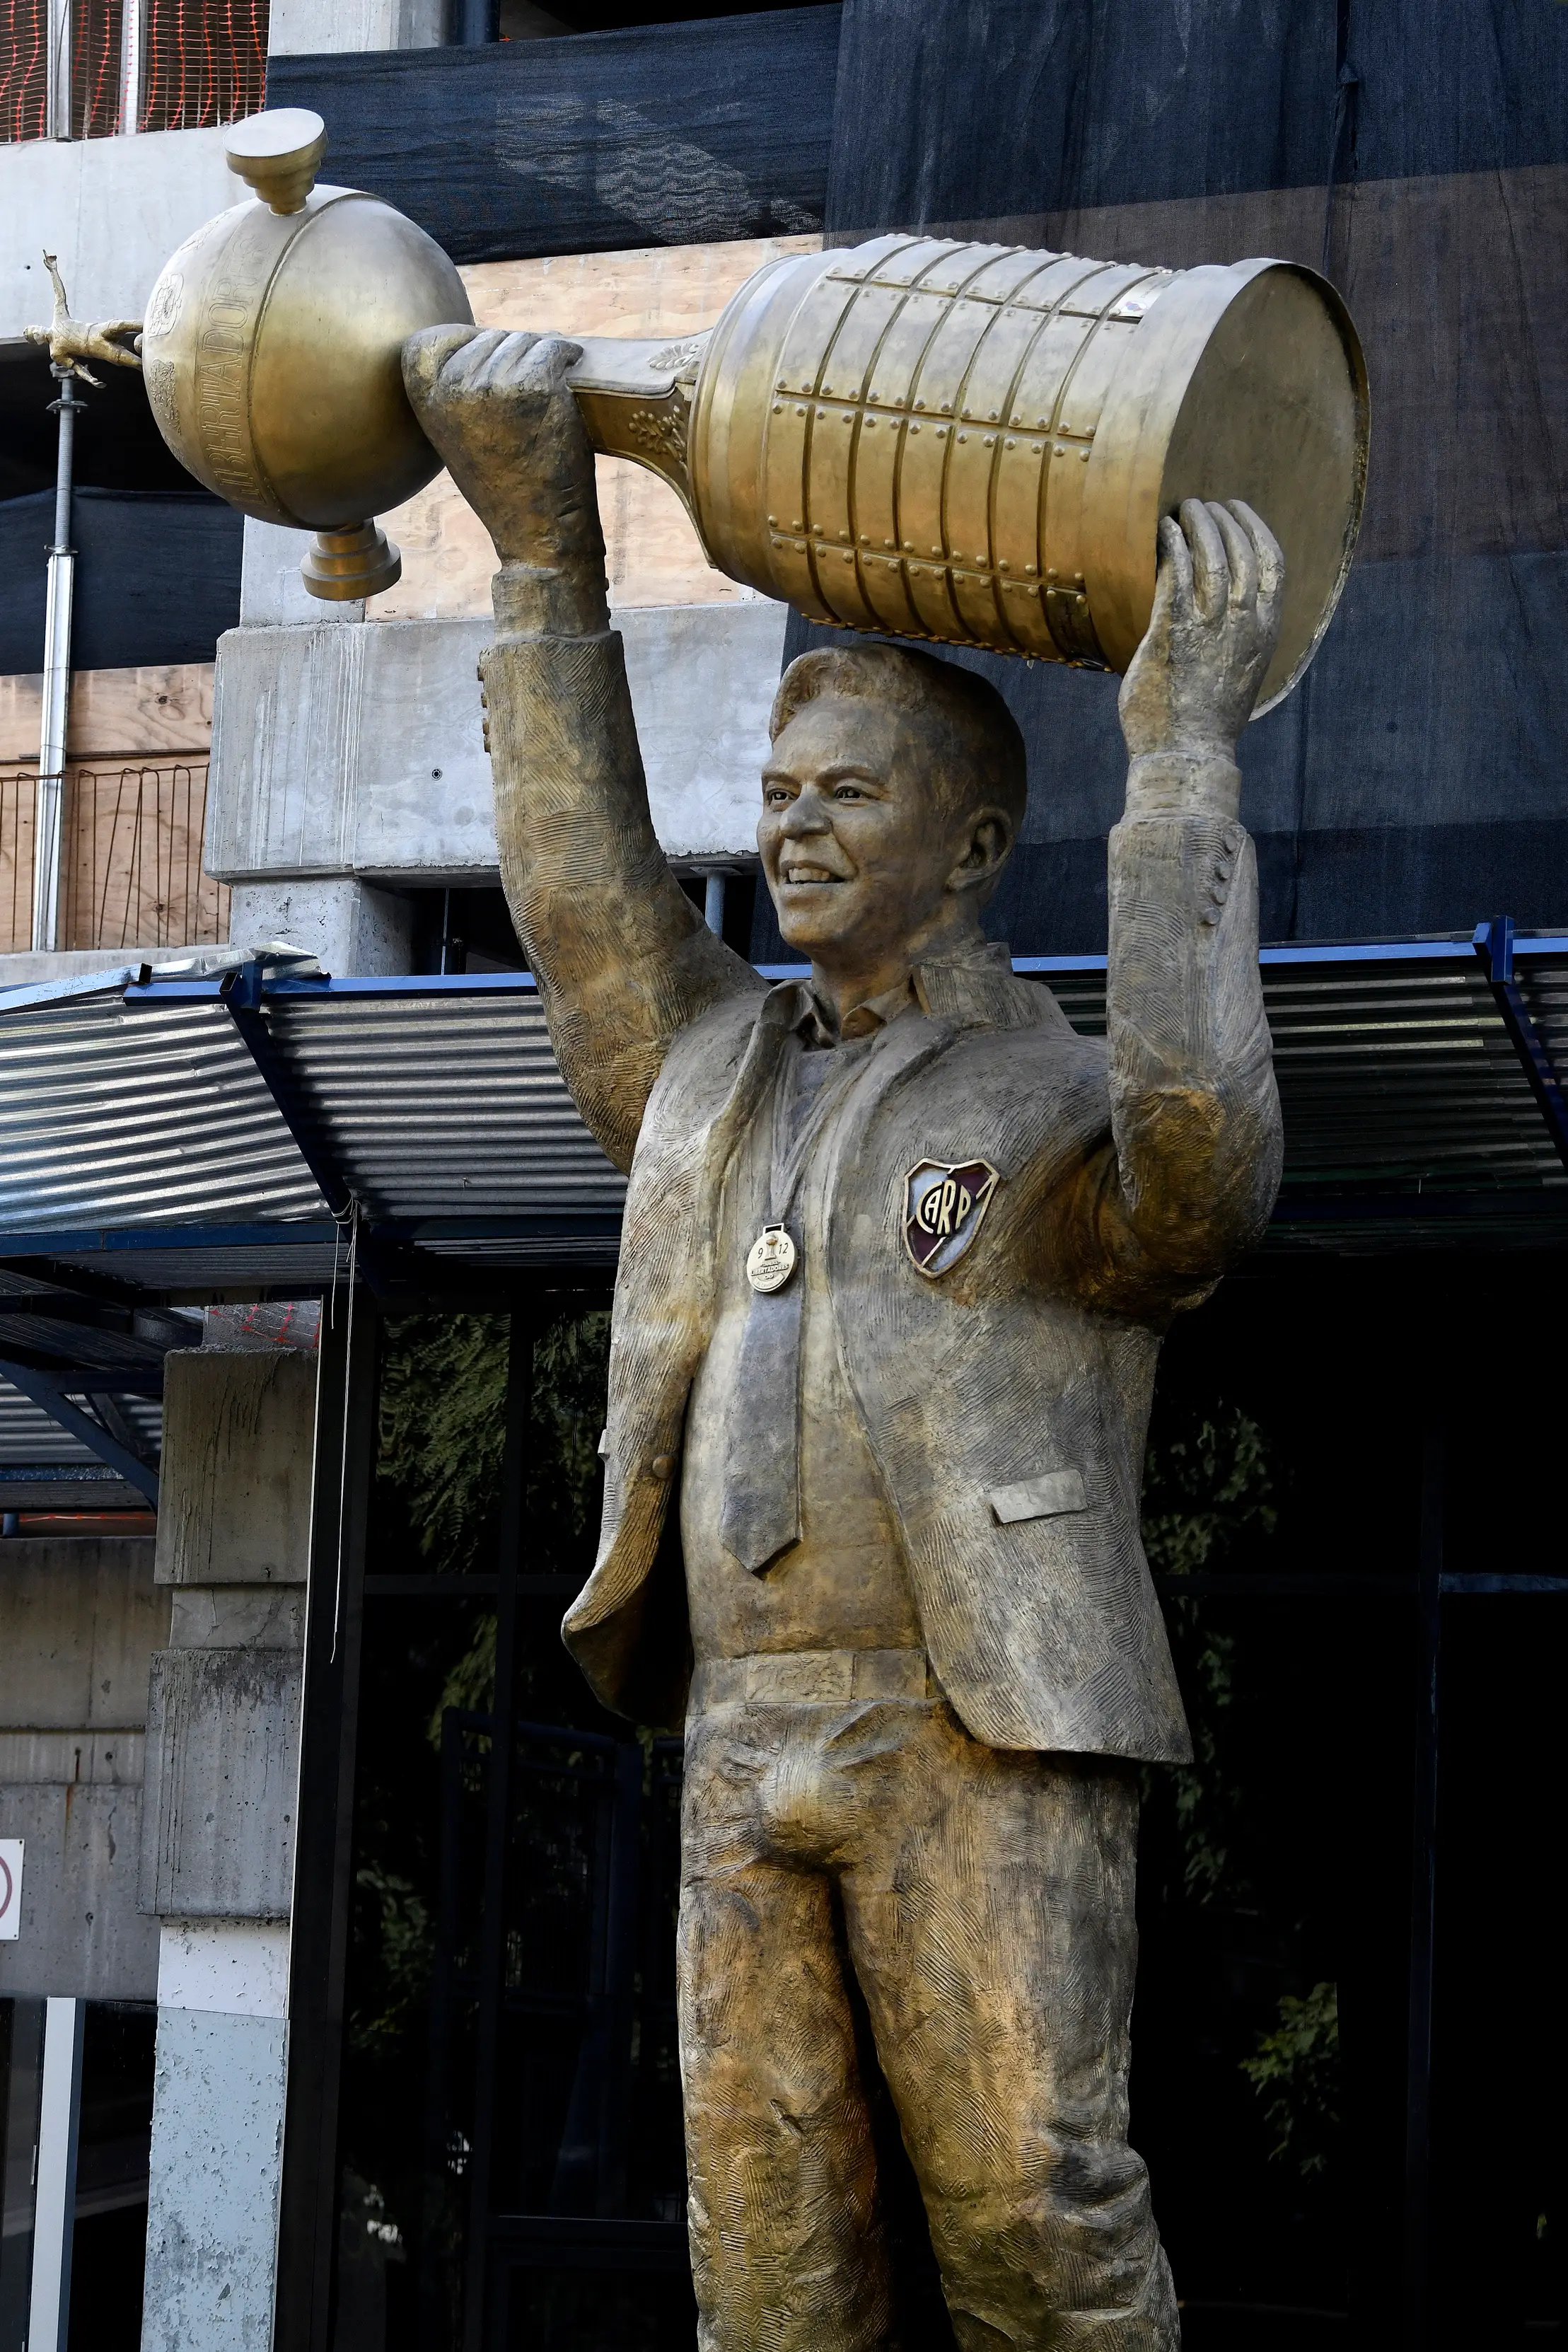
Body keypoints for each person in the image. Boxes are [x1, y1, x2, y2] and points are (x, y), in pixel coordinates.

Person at [405, 322, 1285, 2352]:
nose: (791, 829)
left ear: (973, 849)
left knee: (1038, 2232)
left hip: (973, 1717)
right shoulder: (706, 1073)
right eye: (779, 797)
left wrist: (1185, 763)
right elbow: (580, 901)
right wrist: (547, 554)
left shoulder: (1055, 1098)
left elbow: (1208, 1172)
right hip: (738, 1726)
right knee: (768, 2269)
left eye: (847, 798)